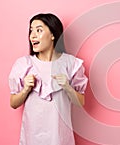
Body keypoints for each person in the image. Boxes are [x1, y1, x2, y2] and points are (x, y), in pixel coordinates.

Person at [8, 13, 88, 145]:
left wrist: (67, 87)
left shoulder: (71, 64)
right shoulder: (24, 64)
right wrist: (25, 90)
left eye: (38, 30)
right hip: (32, 137)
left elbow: (80, 102)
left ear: (53, 35)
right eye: (31, 31)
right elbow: (13, 103)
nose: (32, 35)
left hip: (60, 138)